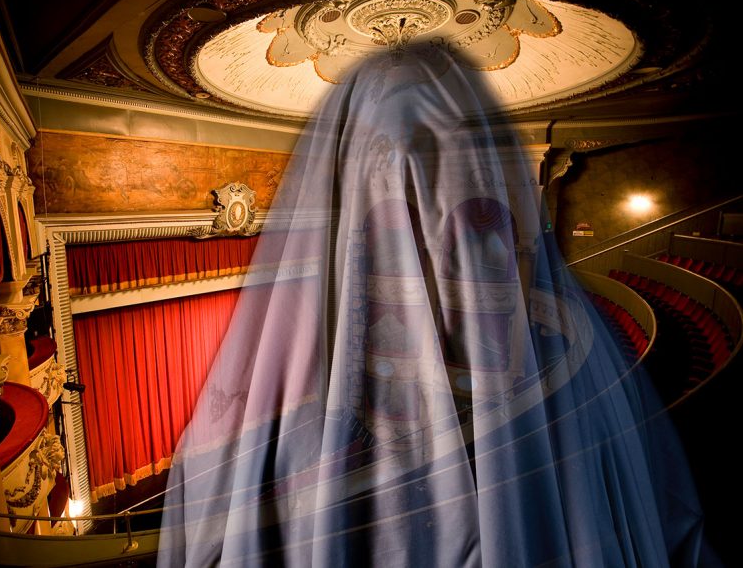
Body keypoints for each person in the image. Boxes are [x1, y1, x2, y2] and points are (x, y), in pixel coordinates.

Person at [157, 45, 710, 567]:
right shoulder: (580, 408)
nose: (426, 221)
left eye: (445, 177)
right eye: (398, 178)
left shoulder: (254, 457)